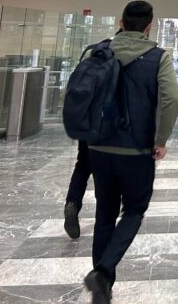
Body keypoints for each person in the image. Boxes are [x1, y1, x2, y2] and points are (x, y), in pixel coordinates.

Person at [82, 1, 178, 304]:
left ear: (121, 23)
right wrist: (161, 139)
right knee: (135, 209)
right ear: (149, 27)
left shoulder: (97, 52)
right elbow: (171, 99)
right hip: (137, 149)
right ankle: (103, 273)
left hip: (98, 147)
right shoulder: (158, 57)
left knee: (105, 213)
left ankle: (103, 286)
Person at [64, 29, 122, 240]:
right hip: (107, 121)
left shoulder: (92, 52)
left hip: (86, 118)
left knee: (83, 163)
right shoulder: (124, 55)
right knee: (104, 168)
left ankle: (72, 201)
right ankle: (103, 216)